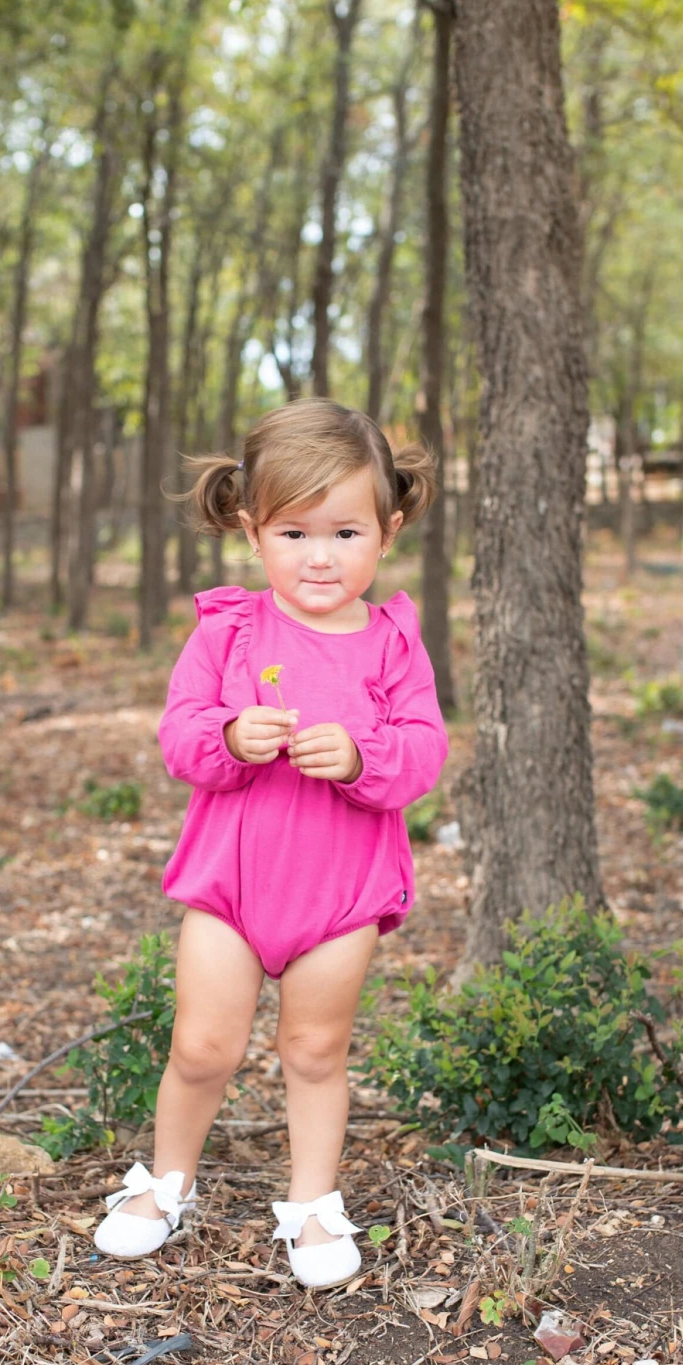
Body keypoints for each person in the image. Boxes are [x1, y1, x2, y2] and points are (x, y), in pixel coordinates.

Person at [92, 398, 449, 1289]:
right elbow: (180, 737)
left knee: (315, 1052)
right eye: (293, 532)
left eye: (344, 531)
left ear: (388, 528)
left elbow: (425, 752)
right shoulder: (230, 630)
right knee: (203, 1047)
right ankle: (165, 1185)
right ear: (253, 531)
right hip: (231, 889)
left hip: (342, 895)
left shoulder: (392, 643)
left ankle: (314, 1206)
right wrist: (230, 737)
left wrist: (366, 754)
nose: (318, 556)